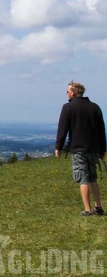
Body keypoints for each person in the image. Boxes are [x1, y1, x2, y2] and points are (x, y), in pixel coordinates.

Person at [55, 80, 106, 216]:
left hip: (78, 149)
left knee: (82, 179)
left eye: (67, 91)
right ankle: (98, 207)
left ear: (73, 93)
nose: (66, 94)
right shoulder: (95, 107)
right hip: (94, 149)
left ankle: (88, 209)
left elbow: (62, 129)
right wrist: (102, 150)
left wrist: (58, 147)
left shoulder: (68, 108)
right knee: (93, 178)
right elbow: (101, 130)